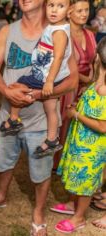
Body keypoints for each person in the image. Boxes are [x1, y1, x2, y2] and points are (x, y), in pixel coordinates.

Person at [0, 0, 78, 235]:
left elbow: (73, 80)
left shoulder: (58, 32)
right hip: (9, 114)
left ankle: (38, 212)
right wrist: (7, 91)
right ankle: (1, 196)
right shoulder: (7, 30)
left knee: (41, 171)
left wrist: (39, 94)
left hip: (41, 121)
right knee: (4, 161)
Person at [0, 0, 72, 157]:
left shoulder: (59, 32)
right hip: (49, 74)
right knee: (50, 108)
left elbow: (58, 57)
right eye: (51, 5)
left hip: (46, 76)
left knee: (19, 84)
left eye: (60, 6)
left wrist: (49, 81)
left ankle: (13, 119)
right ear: (46, 6)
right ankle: (52, 139)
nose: (54, 10)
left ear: (69, 10)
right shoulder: (55, 27)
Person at [55, 37, 106, 234]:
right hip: (81, 140)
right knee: (77, 175)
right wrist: (78, 107)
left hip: (92, 147)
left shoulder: (104, 91)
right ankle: (73, 204)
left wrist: (76, 115)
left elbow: (102, 126)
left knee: (85, 181)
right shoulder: (96, 85)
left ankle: (79, 217)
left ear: (97, 60)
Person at [52, 0, 97, 169]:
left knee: (81, 125)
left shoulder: (90, 34)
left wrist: (91, 81)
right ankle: (56, 163)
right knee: (62, 124)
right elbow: (63, 66)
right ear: (69, 12)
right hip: (67, 85)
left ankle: (73, 162)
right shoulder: (62, 34)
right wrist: (88, 81)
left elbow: (93, 62)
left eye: (86, 10)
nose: (84, 14)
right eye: (79, 11)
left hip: (86, 87)